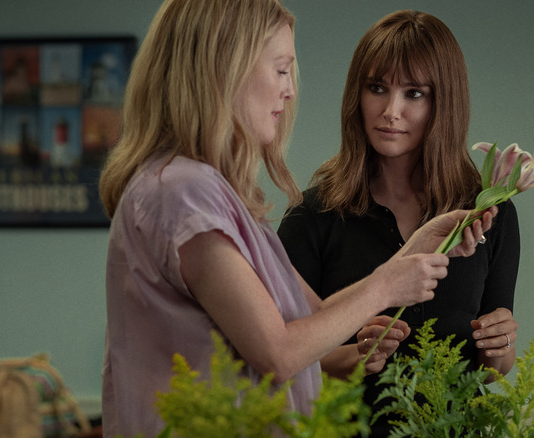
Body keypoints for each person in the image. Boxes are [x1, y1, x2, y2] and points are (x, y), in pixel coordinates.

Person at [99, 1, 496, 436]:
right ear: (224, 70)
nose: (289, 92)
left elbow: (314, 316)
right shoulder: (182, 193)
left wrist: (415, 251)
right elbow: (279, 352)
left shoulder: (212, 192)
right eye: (281, 69)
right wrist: (386, 286)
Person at [277, 9, 521, 436]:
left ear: (444, 102)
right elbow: (282, 355)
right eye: (377, 88)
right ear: (357, 94)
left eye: (414, 93)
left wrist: (500, 346)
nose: (391, 111)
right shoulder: (310, 216)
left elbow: (490, 371)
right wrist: (354, 356)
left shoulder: (489, 214)